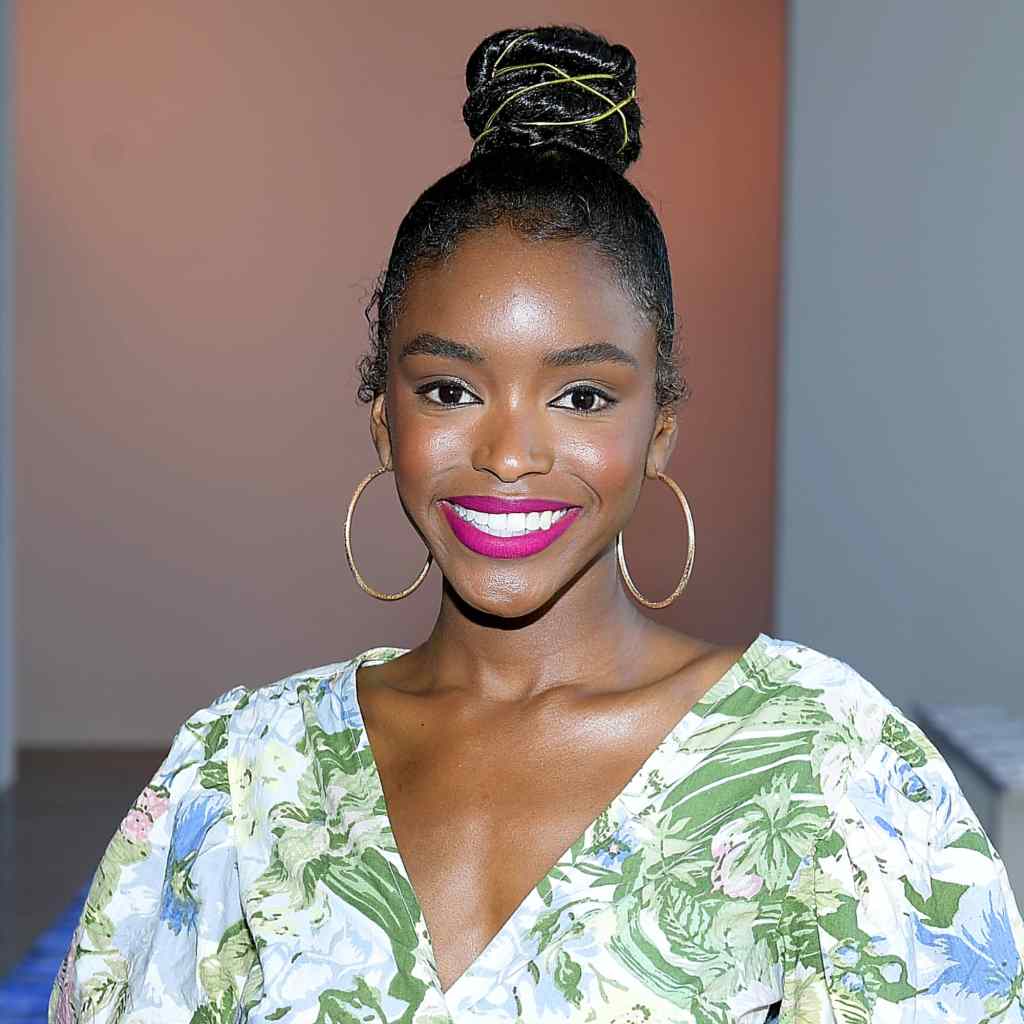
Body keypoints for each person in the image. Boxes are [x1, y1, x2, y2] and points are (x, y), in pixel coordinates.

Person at [49, 23, 1024, 1024]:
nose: (510, 454)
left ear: (659, 432)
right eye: (450, 389)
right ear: (385, 424)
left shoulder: (823, 761)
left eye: (582, 397)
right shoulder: (243, 770)